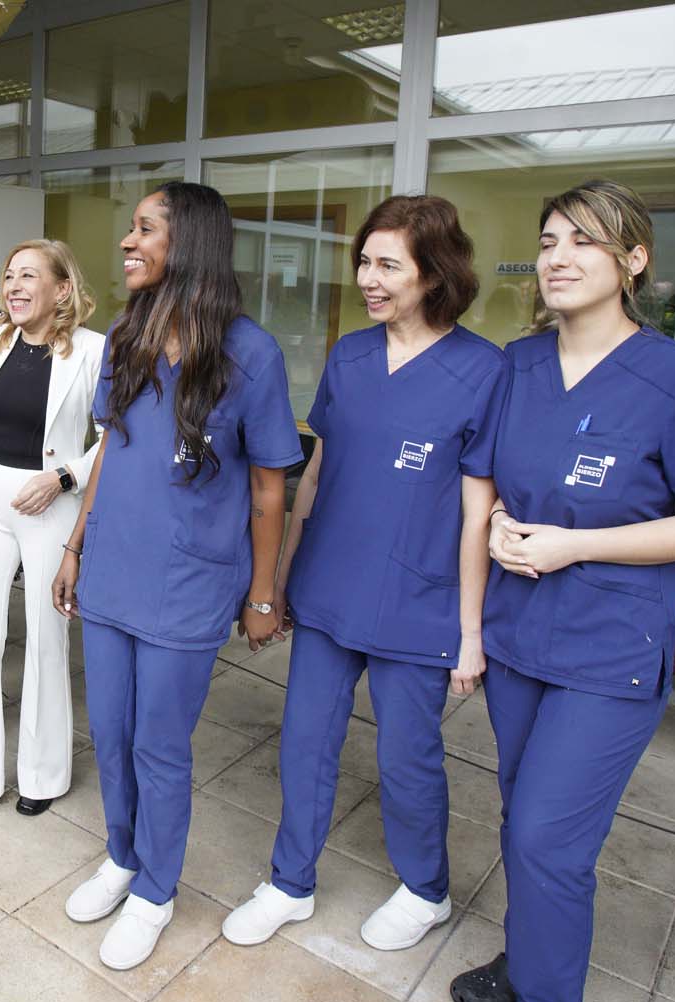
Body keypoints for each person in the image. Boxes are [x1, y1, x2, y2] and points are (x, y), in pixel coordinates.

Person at [451, 180, 675, 1002]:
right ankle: (530, 950)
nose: (558, 258)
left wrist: (576, 546)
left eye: (583, 241)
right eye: (547, 241)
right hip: (517, 638)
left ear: (634, 260)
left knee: (548, 834)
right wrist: (496, 545)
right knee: (523, 818)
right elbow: (488, 494)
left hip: (609, 650)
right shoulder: (518, 365)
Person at [222, 196, 507, 953]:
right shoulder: (349, 353)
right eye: (364, 261)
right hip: (329, 582)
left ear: (435, 271)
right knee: (305, 738)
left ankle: (426, 887)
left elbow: (480, 509)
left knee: (405, 753)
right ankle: (290, 881)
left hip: (419, 594)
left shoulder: (484, 371)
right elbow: (317, 470)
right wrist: (279, 578)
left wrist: (472, 631)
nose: (367, 278)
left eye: (388, 265)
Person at [51, 182, 301, 971]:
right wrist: (76, 545)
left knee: (160, 743)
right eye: (131, 228)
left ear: (187, 244)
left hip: (188, 580)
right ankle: (123, 856)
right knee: (112, 733)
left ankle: (157, 890)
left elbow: (270, 486)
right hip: (114, 567)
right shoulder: (126, 330)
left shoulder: (251, 353)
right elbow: (110, 449)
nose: (128, 240)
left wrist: (264, 593)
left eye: (146, 229)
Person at [0, 240, 105, 818]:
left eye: (28, 275)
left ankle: (43, 774)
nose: (13, 285)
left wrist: (63, 477)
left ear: (62, 288)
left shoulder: (92, 351)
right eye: (9, 275)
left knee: (44, 636)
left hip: (48, 503)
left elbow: (112, 442)